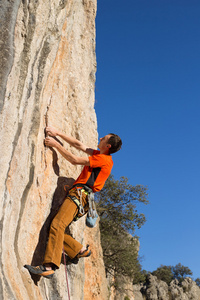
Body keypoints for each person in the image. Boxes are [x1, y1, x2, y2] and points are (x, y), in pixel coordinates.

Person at [25, 126, 122, 278]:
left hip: (80, 195)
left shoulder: (103, 159)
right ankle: (78, 250)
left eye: (104, 138)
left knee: (57, 225)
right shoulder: (99, 154)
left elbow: (74, 160)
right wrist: (58, 133)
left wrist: (56, 145)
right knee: (57, 227)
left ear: (108, 146)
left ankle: (48, 266)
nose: (100, 138)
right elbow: (79, 145)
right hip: (81, 197)